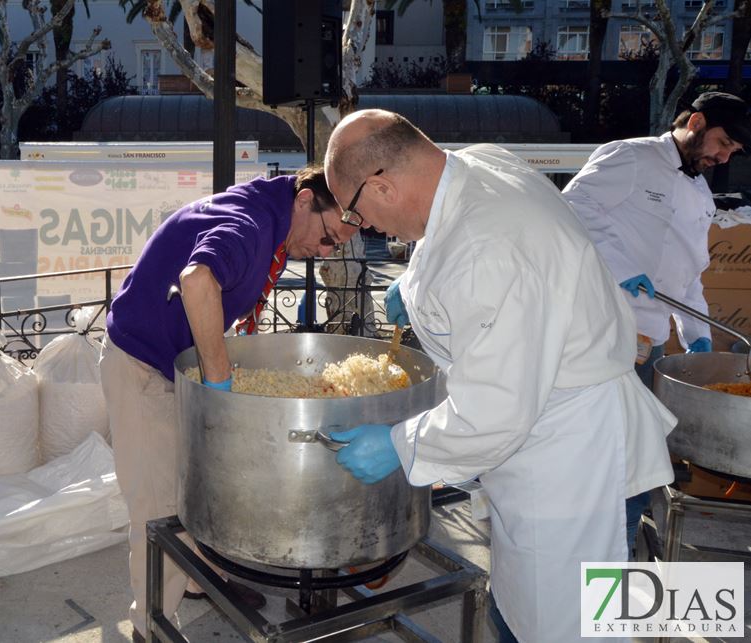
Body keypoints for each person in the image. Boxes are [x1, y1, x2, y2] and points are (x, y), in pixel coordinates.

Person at [323, 110, 677, 643]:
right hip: (542, 435)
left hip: (563, 453)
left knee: (565, 621)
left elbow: (494, 411)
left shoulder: (488, 249)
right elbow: (446, 236)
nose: (364, 227)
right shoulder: (478, 162)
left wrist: (400, 444)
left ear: (384, 186)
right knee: (524, 600)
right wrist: (415, 287)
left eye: (356, 213)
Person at [100, 167, 354, 642]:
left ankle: (197, 580)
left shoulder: (273, 206)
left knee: (197, 482)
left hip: (176, 365)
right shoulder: (254, 225)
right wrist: (220, 383)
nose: (323, 252)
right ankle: (149, 624)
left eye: (334, 247)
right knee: (158, 506)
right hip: (139, 366)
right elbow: (197, 280)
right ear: (305, 201)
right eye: (327, 237)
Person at [562, 91, 751, 554]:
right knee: (615, 454)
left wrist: (699, 339)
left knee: (636, 454)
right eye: (723, 143)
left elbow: (688, 278)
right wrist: (622, 266)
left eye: (733, 153)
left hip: (649, 344)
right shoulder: (630, 156)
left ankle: (617, 545)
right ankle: (606, 550)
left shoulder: (700, 192)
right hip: (601, 333)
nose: (723, 157)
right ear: (698, 122)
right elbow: (571, 207)